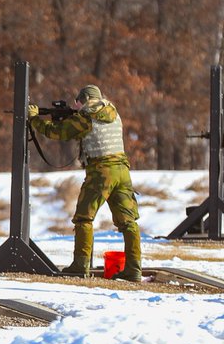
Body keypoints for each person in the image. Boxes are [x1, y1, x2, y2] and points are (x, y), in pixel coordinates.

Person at [28, 84, 141, 281]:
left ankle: (80, 266)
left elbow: (58, 132)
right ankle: (134, 269)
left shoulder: (87, 115)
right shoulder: (113, 112)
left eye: (77, 103)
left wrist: (35, 119)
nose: (76, 106)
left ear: (84, 101)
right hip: (122, 170)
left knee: (84, 218)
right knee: (128, 222)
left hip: (101, 172)